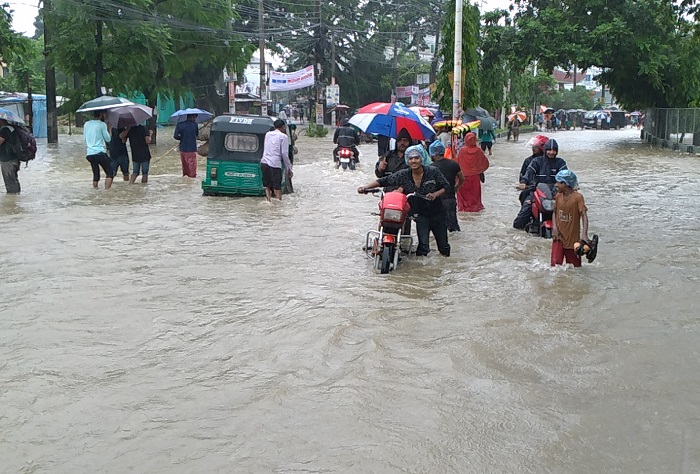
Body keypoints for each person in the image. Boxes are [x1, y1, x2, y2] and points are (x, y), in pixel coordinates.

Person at [358, 145, 451, 257]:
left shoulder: (433, 171)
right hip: (420, 214)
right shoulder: (404, 174)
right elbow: (384, 181)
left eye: (416, 158)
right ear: (407, 160)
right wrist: (365, 187)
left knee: (444, 247)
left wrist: (436, 194)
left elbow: (446, 186)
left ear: (422, 158)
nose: (413, 161)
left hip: (438, 213)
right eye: (411, 158)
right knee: (423, 247)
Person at [513, 138, 568, 230]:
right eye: (549, 150)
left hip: (556, 193)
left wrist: (572, 184)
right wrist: (523, 182)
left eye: (554, 150)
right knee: (524, 212)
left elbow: (566, 175)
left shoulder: (560, 162)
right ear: (545, 150)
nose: (551, 152)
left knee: (569, 209)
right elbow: (529, 172)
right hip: (537, 193)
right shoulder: (536, 161)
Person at [551, 170, 589, 267]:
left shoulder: (578, 198)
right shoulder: (558, 196)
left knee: (575, 269)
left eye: (558, 182)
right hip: (558, 238)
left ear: (565, 184)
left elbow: (584, 215)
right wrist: (554, 227)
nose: (556, 185)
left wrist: (584, 235)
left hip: (573, 241)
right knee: (554, 267)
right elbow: (554, 212)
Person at [429, 140, 464, 231]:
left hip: (436, 201)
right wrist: (456, 187)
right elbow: (462, 178)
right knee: (453, 228)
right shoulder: (453, 164)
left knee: (438, 228)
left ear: (433, 154)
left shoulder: (431, 168)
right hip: (450, 200)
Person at [456, 132, 490, 212]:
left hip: (463, 177)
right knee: (475, 197)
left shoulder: (462, 151)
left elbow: (457, 164)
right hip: (475, 178)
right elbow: (486, 163)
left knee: (463, 197)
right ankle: (475, 211)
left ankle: (464, 212)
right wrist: (479, 170)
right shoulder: (478, 151)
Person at [260, 118, 293, 201]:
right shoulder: (283, 137)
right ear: (283, 127)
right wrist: (289, 168)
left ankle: (268, 201)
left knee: (267, 186)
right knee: (277, 187)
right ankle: (278, 204)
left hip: (264, 162)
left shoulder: (268, 134)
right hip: (275, 164)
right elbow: (284, 154)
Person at [83, 110, 113, 189]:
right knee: (110, 173)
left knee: (96, 174)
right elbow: (108, 139)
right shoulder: (102, 124)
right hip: (100, 152)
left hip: (90, 154)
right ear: (101, 114)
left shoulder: (86, 124)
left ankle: (95, 190)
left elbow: (84, 139)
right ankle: (107, 191)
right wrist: (110, 128)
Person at [518, 135, 548, 204]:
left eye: (536, 146)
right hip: (531, 189)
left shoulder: (551, 161)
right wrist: (523, 183)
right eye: (533, 146)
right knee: (524, 202)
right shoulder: (528, 161)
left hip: (547, 190)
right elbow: (522, 176)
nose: (533, 148)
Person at [0, 118, 21, 194]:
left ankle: (12, 198)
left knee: (10, 183)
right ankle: (17, 196)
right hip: (15, 158)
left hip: (7, 160)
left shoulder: (4, 130)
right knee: (14, 180)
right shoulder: (12, 128)